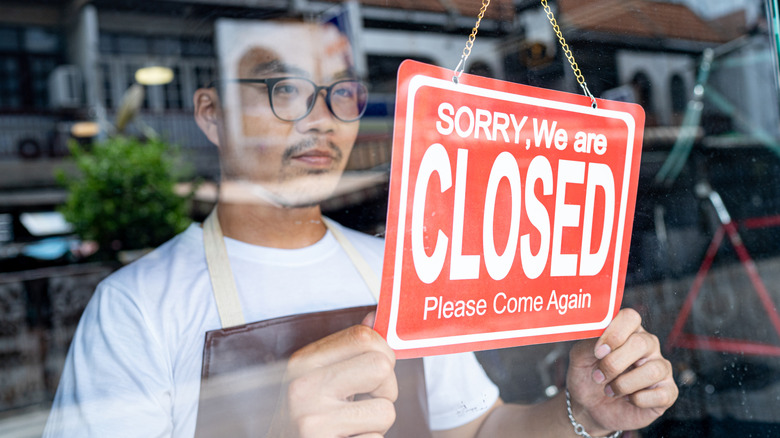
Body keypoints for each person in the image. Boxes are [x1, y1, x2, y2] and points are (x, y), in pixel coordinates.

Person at [43, 18, 677, 438]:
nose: (321, 120)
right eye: (284, 90)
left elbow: (477, 428)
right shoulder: (135, 308)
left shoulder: (402, 268)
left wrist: (584, 415)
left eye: (340, 93)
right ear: (211, 115)